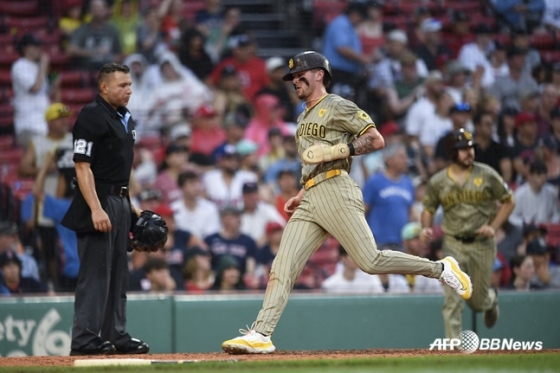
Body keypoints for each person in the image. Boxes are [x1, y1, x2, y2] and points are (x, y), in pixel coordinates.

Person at [221, 51, 473, 354]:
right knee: (282, 267)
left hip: (337, 188)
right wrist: (302, 192)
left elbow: (375, 139)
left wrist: (340, 150)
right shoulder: (303, 116)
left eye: (301, 75)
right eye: (293, 78)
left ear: (319, 74)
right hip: (312, 194)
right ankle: (261, 333)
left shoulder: (337, 105)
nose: (296, 82)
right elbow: (312, 163)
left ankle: (441, 268)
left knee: (370, 261)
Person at [61, 63, 148, 355]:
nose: (129, 90)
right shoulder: (92, 116)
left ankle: (116, 335)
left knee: (118, 274)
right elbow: (82, 166)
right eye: (122, 85)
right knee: (96, 274)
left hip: (119, 200)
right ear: (104, 87)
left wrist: (131, 207)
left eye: (130, 85)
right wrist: (96, 209)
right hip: (98, 201)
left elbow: (117, 170)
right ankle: (85, 339)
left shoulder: (124, 117)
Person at [420, 128, 515, 340]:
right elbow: (428, 208)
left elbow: (509, 201)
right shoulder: (438, 181)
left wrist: (494, 226)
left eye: (470, 148)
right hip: (453, 242)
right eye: (463, 149)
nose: (469, 152)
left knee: (477, 302)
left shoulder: (486, 174)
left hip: (482, 243)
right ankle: (452, 347)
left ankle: (490, 300)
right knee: (452, 297)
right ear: (452, 152)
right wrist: (426, 227)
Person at [18, 103, 73, 289]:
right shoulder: (39, 142)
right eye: (60, 118)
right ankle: (52, 283)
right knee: (49, 248)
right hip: (45, 200)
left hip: (69, 201)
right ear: (49, 121)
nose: (65, 121)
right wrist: (43, 169)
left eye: (66, 117)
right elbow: (22, 168)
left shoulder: (74, 140)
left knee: (69, 246)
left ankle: (66, 283)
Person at [362, 144, 414, 251]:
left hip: (401, 243)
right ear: (389, 159)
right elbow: (362, 211)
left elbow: (411, 212)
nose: (406, 160)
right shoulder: (374, 182)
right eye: (401, 157)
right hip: (378, 243)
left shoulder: (408, 183)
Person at [11, 34, 59, 147]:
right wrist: (43, 65)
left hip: (43, 123)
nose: (38, 50)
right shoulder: (19, 65)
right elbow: (34, 88)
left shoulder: (37, 67)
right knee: (36, 161)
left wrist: (55, 85)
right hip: (28, 124)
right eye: (34, 46)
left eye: (38, 46)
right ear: (25, 48)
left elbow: (45, 93)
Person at [67, 0, 123, 71]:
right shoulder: (82, 29)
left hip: (107, 70)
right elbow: (70, 50)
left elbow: (119, 53)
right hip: (86, 69)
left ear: (106, 10)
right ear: (90, 11)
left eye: (100, 8)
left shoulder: (112, 30)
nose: (98, 11)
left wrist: (113, 59)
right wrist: (94, 52)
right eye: (95, 8)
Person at [509, 160, 560, 227]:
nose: (543, 178)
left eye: (544, 175)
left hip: (546, 230)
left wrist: (551, 222)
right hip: (526, 232)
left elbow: (556, 215)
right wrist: (526, 223)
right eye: (539, 175)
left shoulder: (551, 192)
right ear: (530, 176)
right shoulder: (519, 194)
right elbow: (512, 217)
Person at [400, 222, 443, 293]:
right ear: (405, 242)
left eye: (422, 238)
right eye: (415, 238)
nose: (420, 241)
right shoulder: (399, 264)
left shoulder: (431, 262)